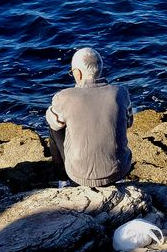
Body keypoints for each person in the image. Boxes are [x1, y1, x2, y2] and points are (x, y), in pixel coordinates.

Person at [46, 47, 133, 187]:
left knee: (54, 127)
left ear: (77, 73)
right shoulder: (120, 93)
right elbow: (129, 122)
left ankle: (63, 180)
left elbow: (53, 123)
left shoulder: (64, 96)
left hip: (79, 176)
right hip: (118, 172)